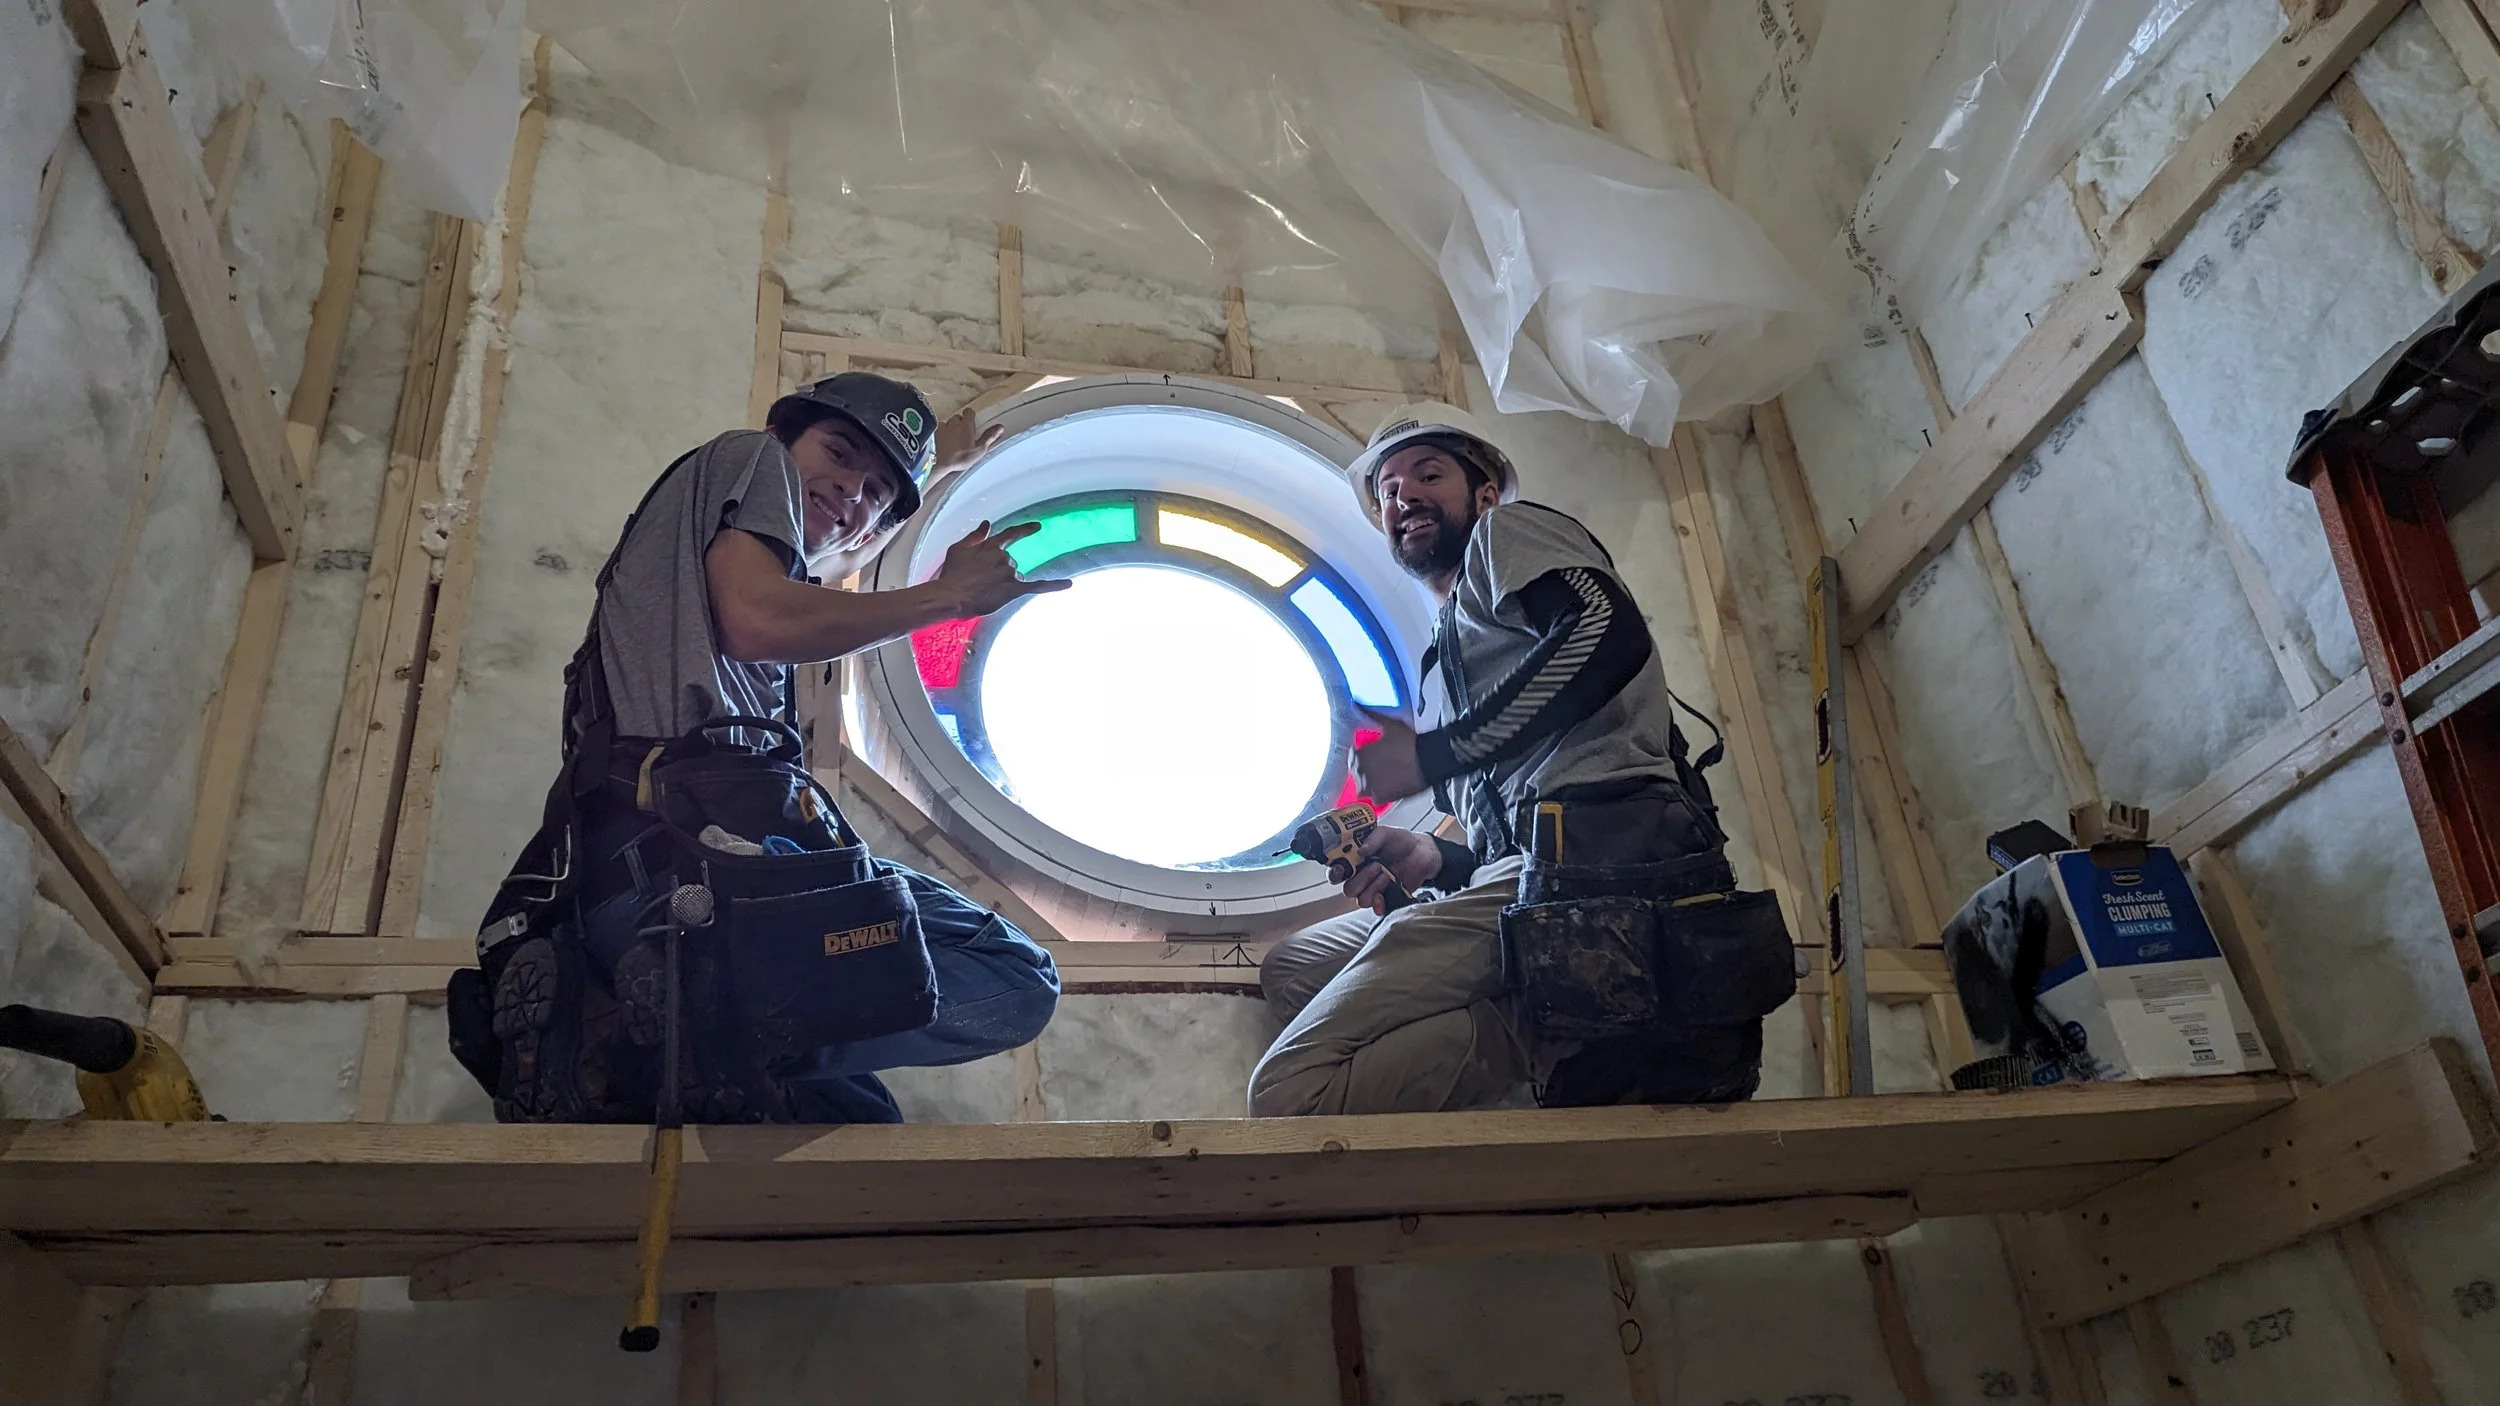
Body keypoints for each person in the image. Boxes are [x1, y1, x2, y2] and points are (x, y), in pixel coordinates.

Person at [455, 372, 1070, 1125]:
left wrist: (935, 466)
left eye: (875, 493)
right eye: (838, 454)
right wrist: (951, 596)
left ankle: (639, 1043)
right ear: (783, 435)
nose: (851, 490)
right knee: (1014, 976)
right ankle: (679, 1030)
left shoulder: (712, 564)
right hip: (692, 883)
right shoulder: (751, 458)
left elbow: (829, 563)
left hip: (641, 907)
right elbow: (759, 617)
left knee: (858, 1121)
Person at [1248, 403, 1794, 1116]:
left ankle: (1560, 1026)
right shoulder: (1438, 667)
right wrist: (1431, 858)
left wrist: (1436, 754)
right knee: (1293, 969)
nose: (1403, 496)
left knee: (1286, 1096)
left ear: (1483, 494)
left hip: (1592, 869)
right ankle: (1538, 1010)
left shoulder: (1506, 532)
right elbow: (1497, 841)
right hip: (1513, 875)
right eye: (1388, 490)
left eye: (1428, 475)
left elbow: (1605, 631)